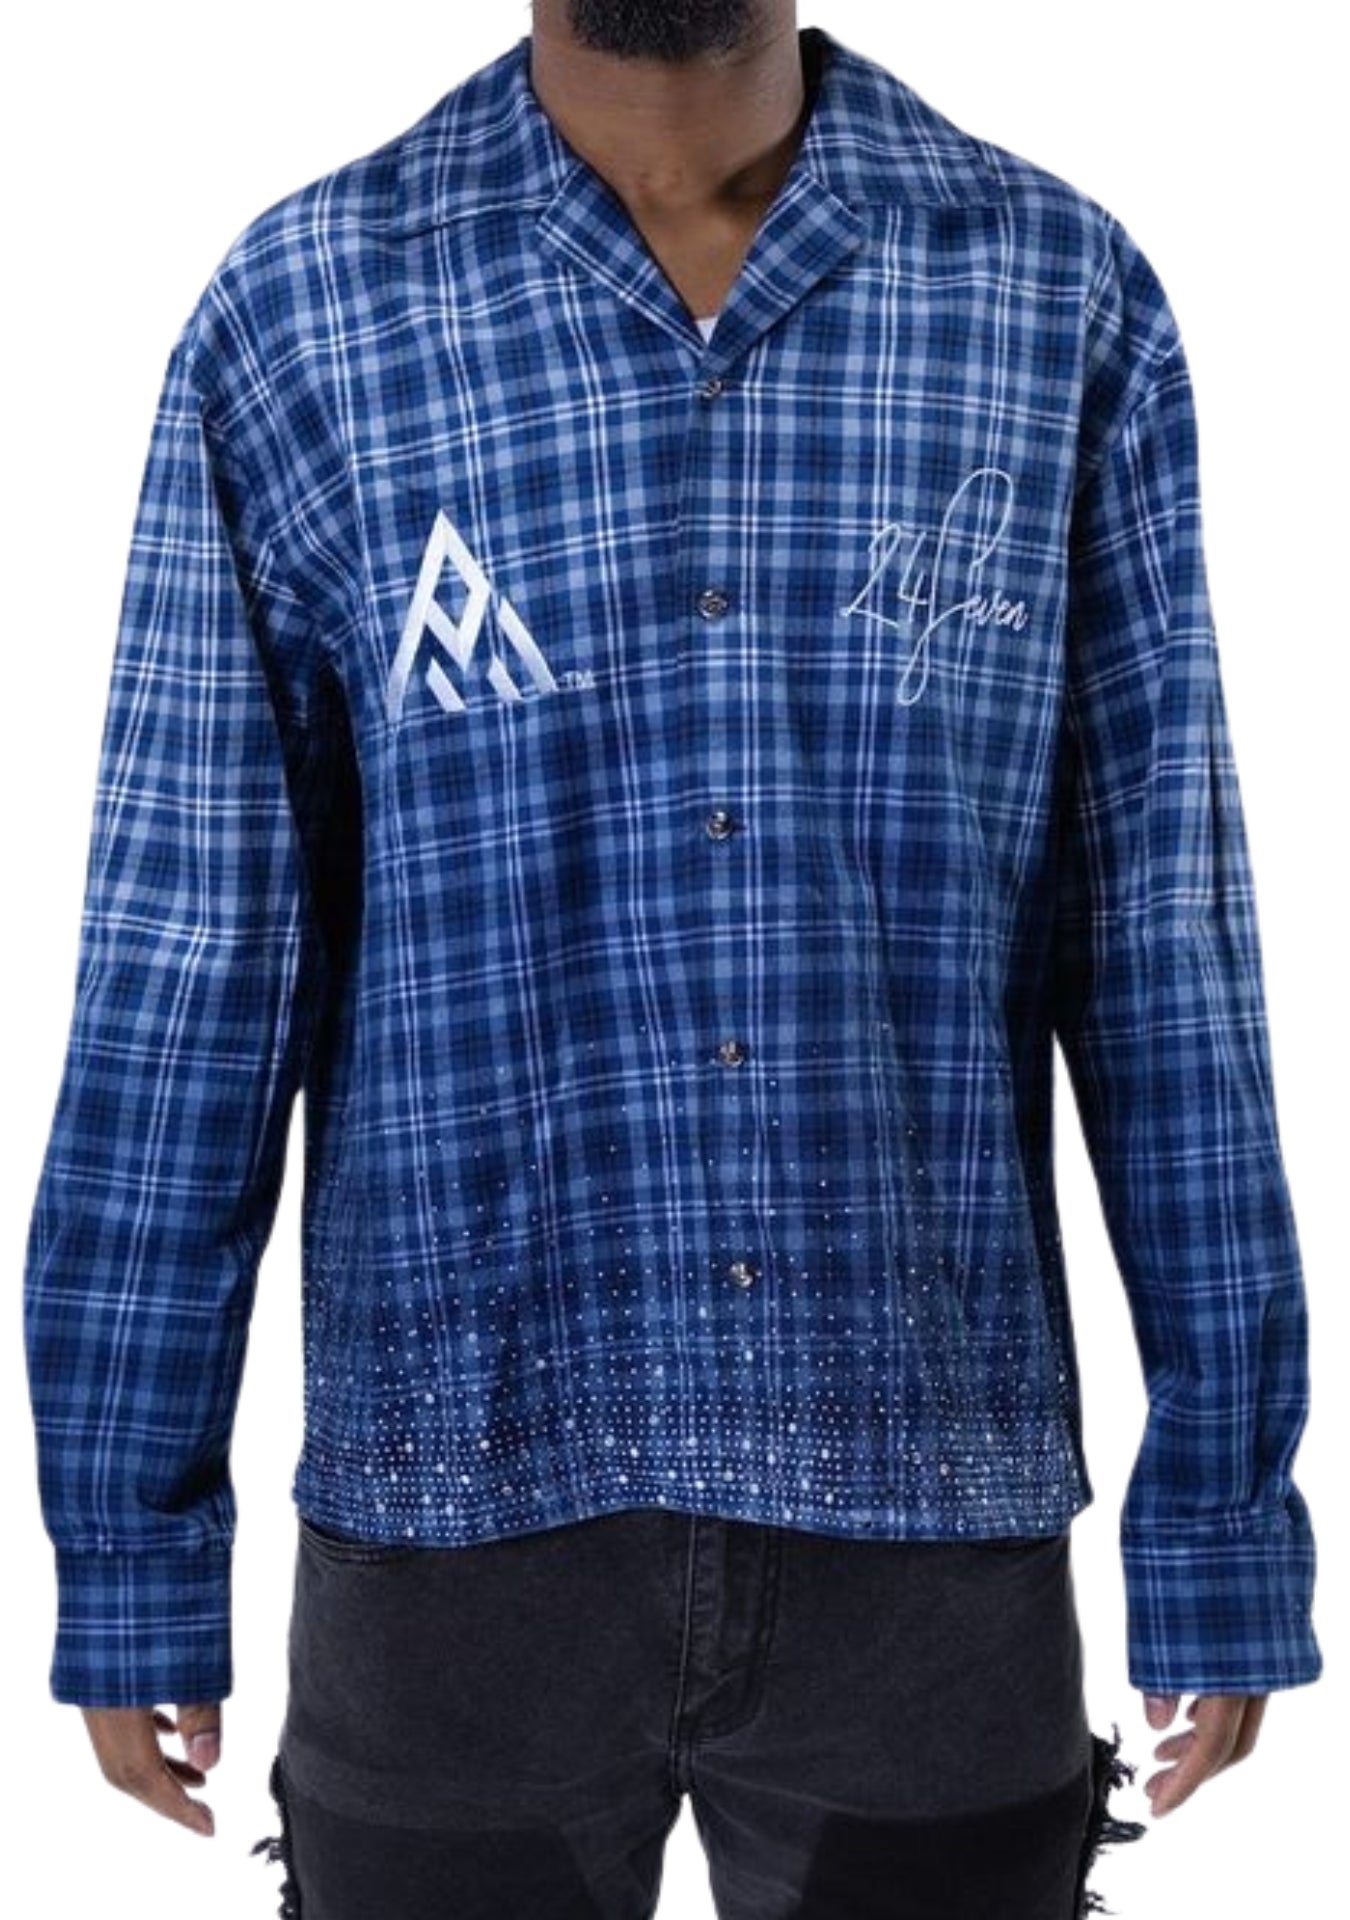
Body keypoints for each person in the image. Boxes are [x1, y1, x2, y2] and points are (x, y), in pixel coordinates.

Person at [22, 2, 1322, 1914]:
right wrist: (131, 1544)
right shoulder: (308, 311)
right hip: (455, 1504)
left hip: (924, 1520)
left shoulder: (1053, 292)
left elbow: (1159, 951)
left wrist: (1218, 1517)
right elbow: (189, 958)